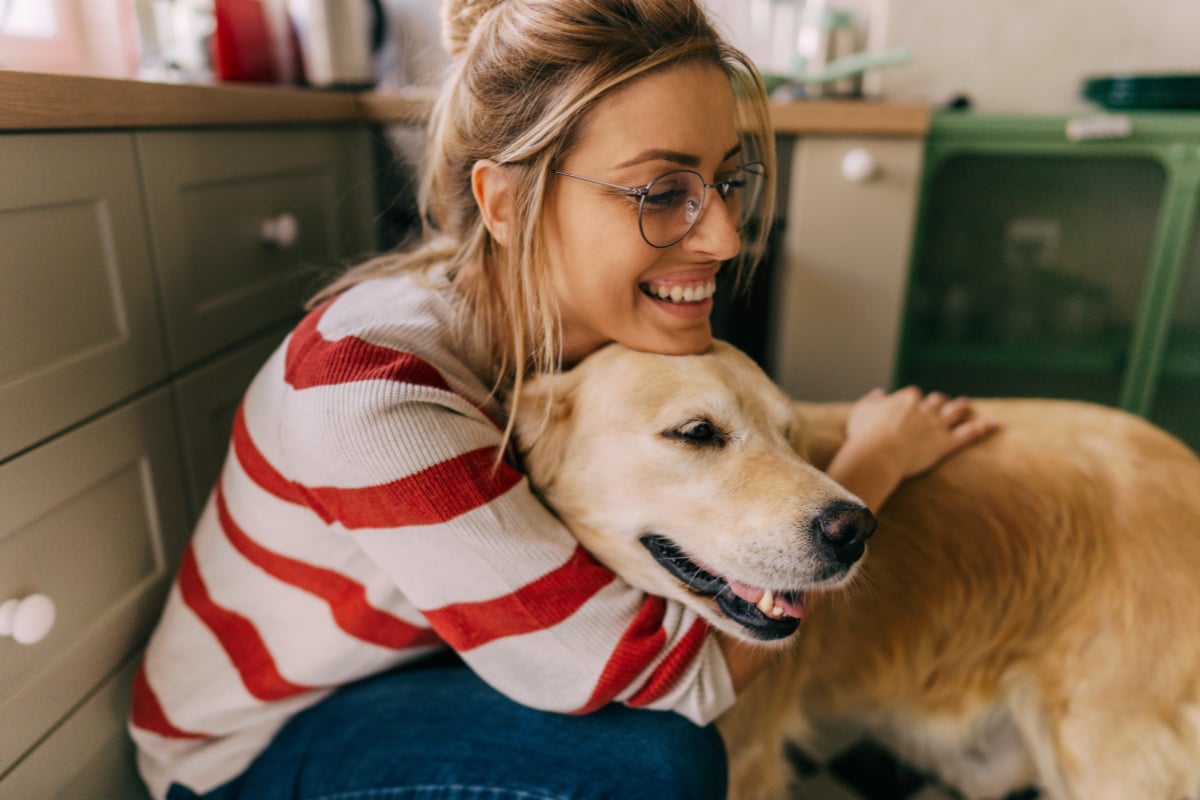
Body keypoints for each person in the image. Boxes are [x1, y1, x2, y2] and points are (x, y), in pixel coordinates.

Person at [128, 1, 996, 798]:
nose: (726, 237)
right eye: (663, 192)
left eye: (729, 181)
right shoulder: (372, 396)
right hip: (256, 749)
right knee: (655, 762)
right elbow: (668, 676)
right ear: (506, 203)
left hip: (418, 666)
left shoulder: (577, 327)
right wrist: (872, 465)